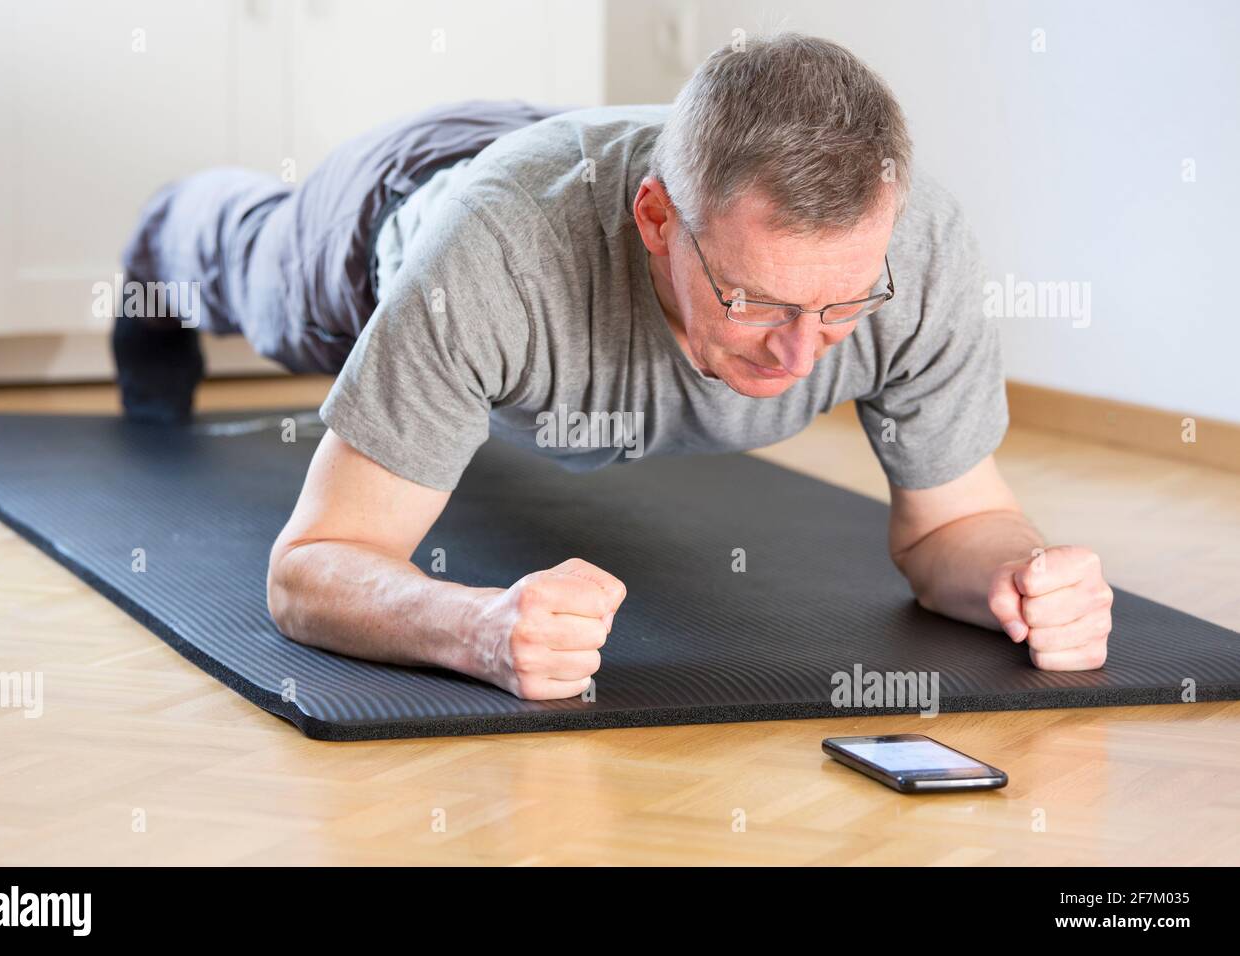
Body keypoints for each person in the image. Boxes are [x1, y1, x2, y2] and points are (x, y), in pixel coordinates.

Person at [117, 33, 1114, 701]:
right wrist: (479, 627)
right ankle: (169, 224)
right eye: (755, 300)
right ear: (654, 223)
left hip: (596, 156)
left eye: (842, 306)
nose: (803, 352)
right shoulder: (489, 261)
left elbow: (952, 524)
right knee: (245, 266)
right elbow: (307, 568)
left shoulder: (918, 246)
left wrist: (1019, 579)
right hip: (396, 203)